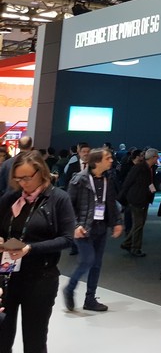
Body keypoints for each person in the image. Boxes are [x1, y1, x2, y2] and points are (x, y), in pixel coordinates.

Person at [0, 151, 75, 352]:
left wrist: (30, 248)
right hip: (6, 276)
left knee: (34, 340)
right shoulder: (11, 197)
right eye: (18, 179)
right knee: (2, 337)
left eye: (26, 178)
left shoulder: (59, 198)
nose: (22, 183)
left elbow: (67, 239)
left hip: (40, 279)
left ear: (41, 172)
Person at [64, 147, 124, 312]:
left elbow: (111, 203)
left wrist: (117, 222)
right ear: (97, 161)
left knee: (96, 264)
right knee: (87, 260)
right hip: (84, 228)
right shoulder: (79, 179)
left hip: (101, 227)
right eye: (107, 158)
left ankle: (90, 299)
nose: (111, 160)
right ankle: (69, 288)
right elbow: (68, 206)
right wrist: (75, 225)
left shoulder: (108, 178)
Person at [119, 148, 158, 257]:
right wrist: (123, 197)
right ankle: (135, 248)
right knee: (139, 224)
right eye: (157, 156)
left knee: (139, 224)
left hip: (143, 199)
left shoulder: (150, 168)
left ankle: (127, 243)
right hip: (137, 200)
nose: (158, 159)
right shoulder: (139, 168)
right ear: (153, 157)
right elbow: (128, 182)